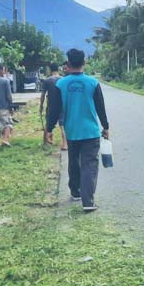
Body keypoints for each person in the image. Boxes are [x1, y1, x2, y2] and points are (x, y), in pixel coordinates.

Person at [46, 49, 109, 213]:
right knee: (89, 165)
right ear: (84, 63)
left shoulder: (60, 84)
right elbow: (100, 107)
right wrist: (106, 127)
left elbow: (54, 109)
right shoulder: (92, 83)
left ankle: (75, 192)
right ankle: (88, 201)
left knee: (74, 162)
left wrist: (49, 128)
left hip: (72, 131)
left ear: (68, 64)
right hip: (90, 131)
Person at [40, 63, 67, 151]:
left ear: (50, 69)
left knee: (48, 123)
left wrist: (41, 106)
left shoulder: (47, 80)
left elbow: (43, 95)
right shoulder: (64, 79)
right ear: (58, 69)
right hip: (62, 105)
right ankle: (65, 144)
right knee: (62, 125)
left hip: (51, 105)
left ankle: (45, 142)